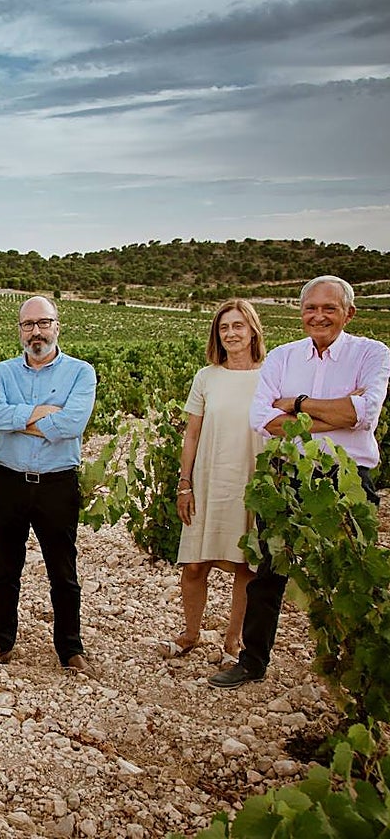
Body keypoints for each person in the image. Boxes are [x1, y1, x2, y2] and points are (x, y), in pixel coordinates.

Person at [210, 275, 390, 689]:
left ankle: (355, 670)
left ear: (349, 313)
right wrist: (336, 414)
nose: (318, 316)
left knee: (351, 573)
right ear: (301, 312)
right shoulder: (283, 357)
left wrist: (297, 404)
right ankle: (252, 661)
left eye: (329, 308)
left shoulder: (372, 352)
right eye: (311, 308)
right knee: (269, 572)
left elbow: (364, 415)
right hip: (287, 476)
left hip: (348, 478)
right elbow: (262, 419)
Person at [0, 296, 97, 675]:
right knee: (6, 569)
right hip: (8, 480)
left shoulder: (80, 372)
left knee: (63, 571)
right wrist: (44, 415)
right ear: (20, 330)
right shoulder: (3, 372)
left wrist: (18, 421)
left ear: (57, 326)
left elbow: (72, 425)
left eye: (43, 323)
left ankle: (70, 649)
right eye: (28, 325)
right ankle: (1, 641)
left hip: (57, 484)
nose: (36, 332)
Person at [163, 301, 264, 664]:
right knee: (194, 564)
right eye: (224, 328)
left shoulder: (271, 375)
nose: (231, 334)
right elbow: (191, 434)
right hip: (208, 479)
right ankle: (190, 633)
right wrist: (184, 483)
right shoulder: (206, 377)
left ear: (253, 330)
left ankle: (233, 640)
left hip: (251, 479)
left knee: (245, 565)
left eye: (238, 326)